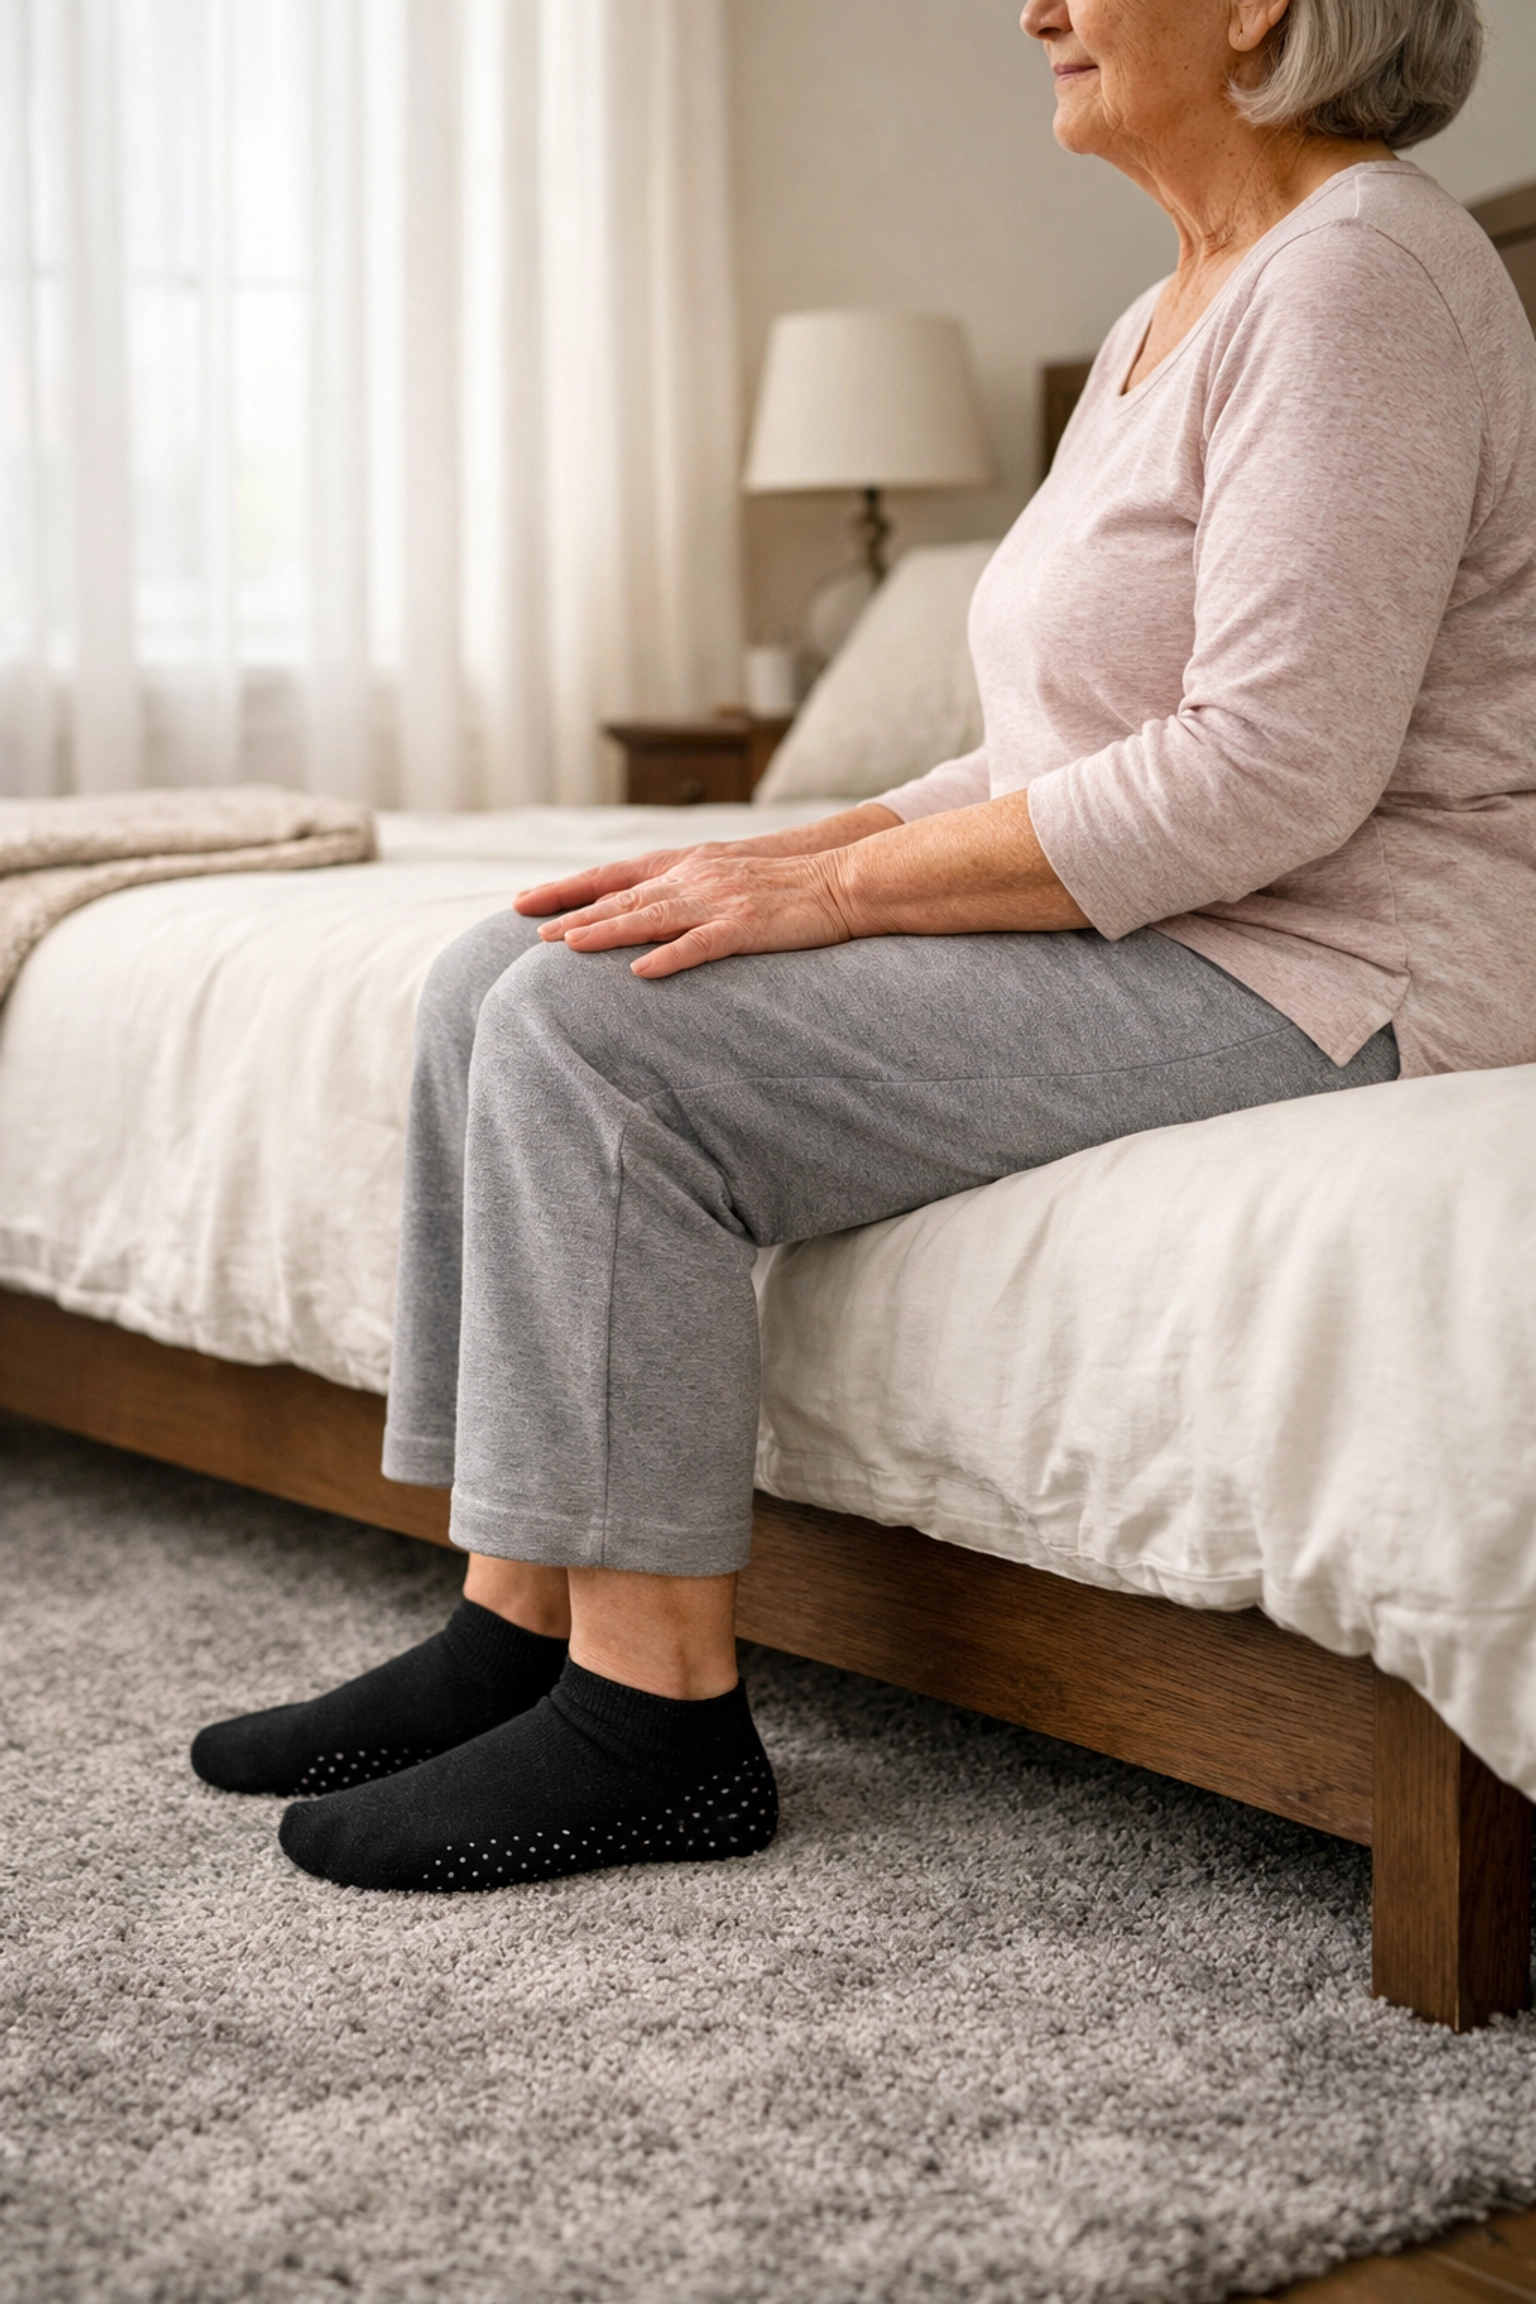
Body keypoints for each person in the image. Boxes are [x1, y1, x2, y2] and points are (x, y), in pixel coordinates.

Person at [194, 0, 1536, 1892]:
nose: (1034, 9)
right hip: (1202, 910)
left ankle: (654, 1723)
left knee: (604, 1040)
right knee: (508, 972)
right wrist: (786, 850)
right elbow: (1044, 749)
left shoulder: (1369, 275)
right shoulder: (1184, 307)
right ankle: (520, 1622)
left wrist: (821, 904)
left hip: (1342, 954)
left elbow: (1266, 778)